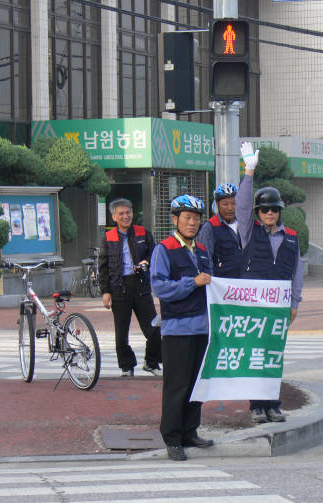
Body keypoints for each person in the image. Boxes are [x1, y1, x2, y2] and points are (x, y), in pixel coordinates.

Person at [238, 142, 303, 424]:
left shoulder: (291, 237)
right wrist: (249, 171)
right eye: (264, 210)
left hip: (279, 306)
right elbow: (241, 205)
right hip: (254, 305)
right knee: (254, 354)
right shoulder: (247, 232)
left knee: (273, 355)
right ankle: (256, 406)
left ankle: (273, 405)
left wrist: (295, 303)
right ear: (258, 213)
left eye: (273, 209)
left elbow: (297, 272)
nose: (269, 214)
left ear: (279, 211)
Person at [150, 194, 214, 462]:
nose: (193, 222)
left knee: (197, 385)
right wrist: (193, 282)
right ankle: (172, 438)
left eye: (197, 218)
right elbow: (160, 287)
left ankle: (190, 431)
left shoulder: (201, 250)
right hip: (177, 329)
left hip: (203, 329)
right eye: (187, 217)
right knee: (176, 385)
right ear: (175, 219)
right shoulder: (163, 249)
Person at [99, 198, 162, 377]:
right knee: (121, 334)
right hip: (119, 288)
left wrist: (146, 261)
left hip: (141, 286)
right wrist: (105, 292)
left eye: (128, 212)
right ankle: (127, 366)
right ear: (114, 217)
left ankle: (151, 362)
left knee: (154, 327)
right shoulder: (108, 238)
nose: (126, 216)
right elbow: (103, 267)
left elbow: (155, 253)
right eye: (121, 214)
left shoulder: (143, 233)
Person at [197, 183, 242, 278]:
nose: (230, 208)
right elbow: (206, 261)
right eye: (225, 204)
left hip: (243, 286)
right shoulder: (209, 227)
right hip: (222, 287)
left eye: (234, 203)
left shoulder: (243, 225)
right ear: (217, 204)